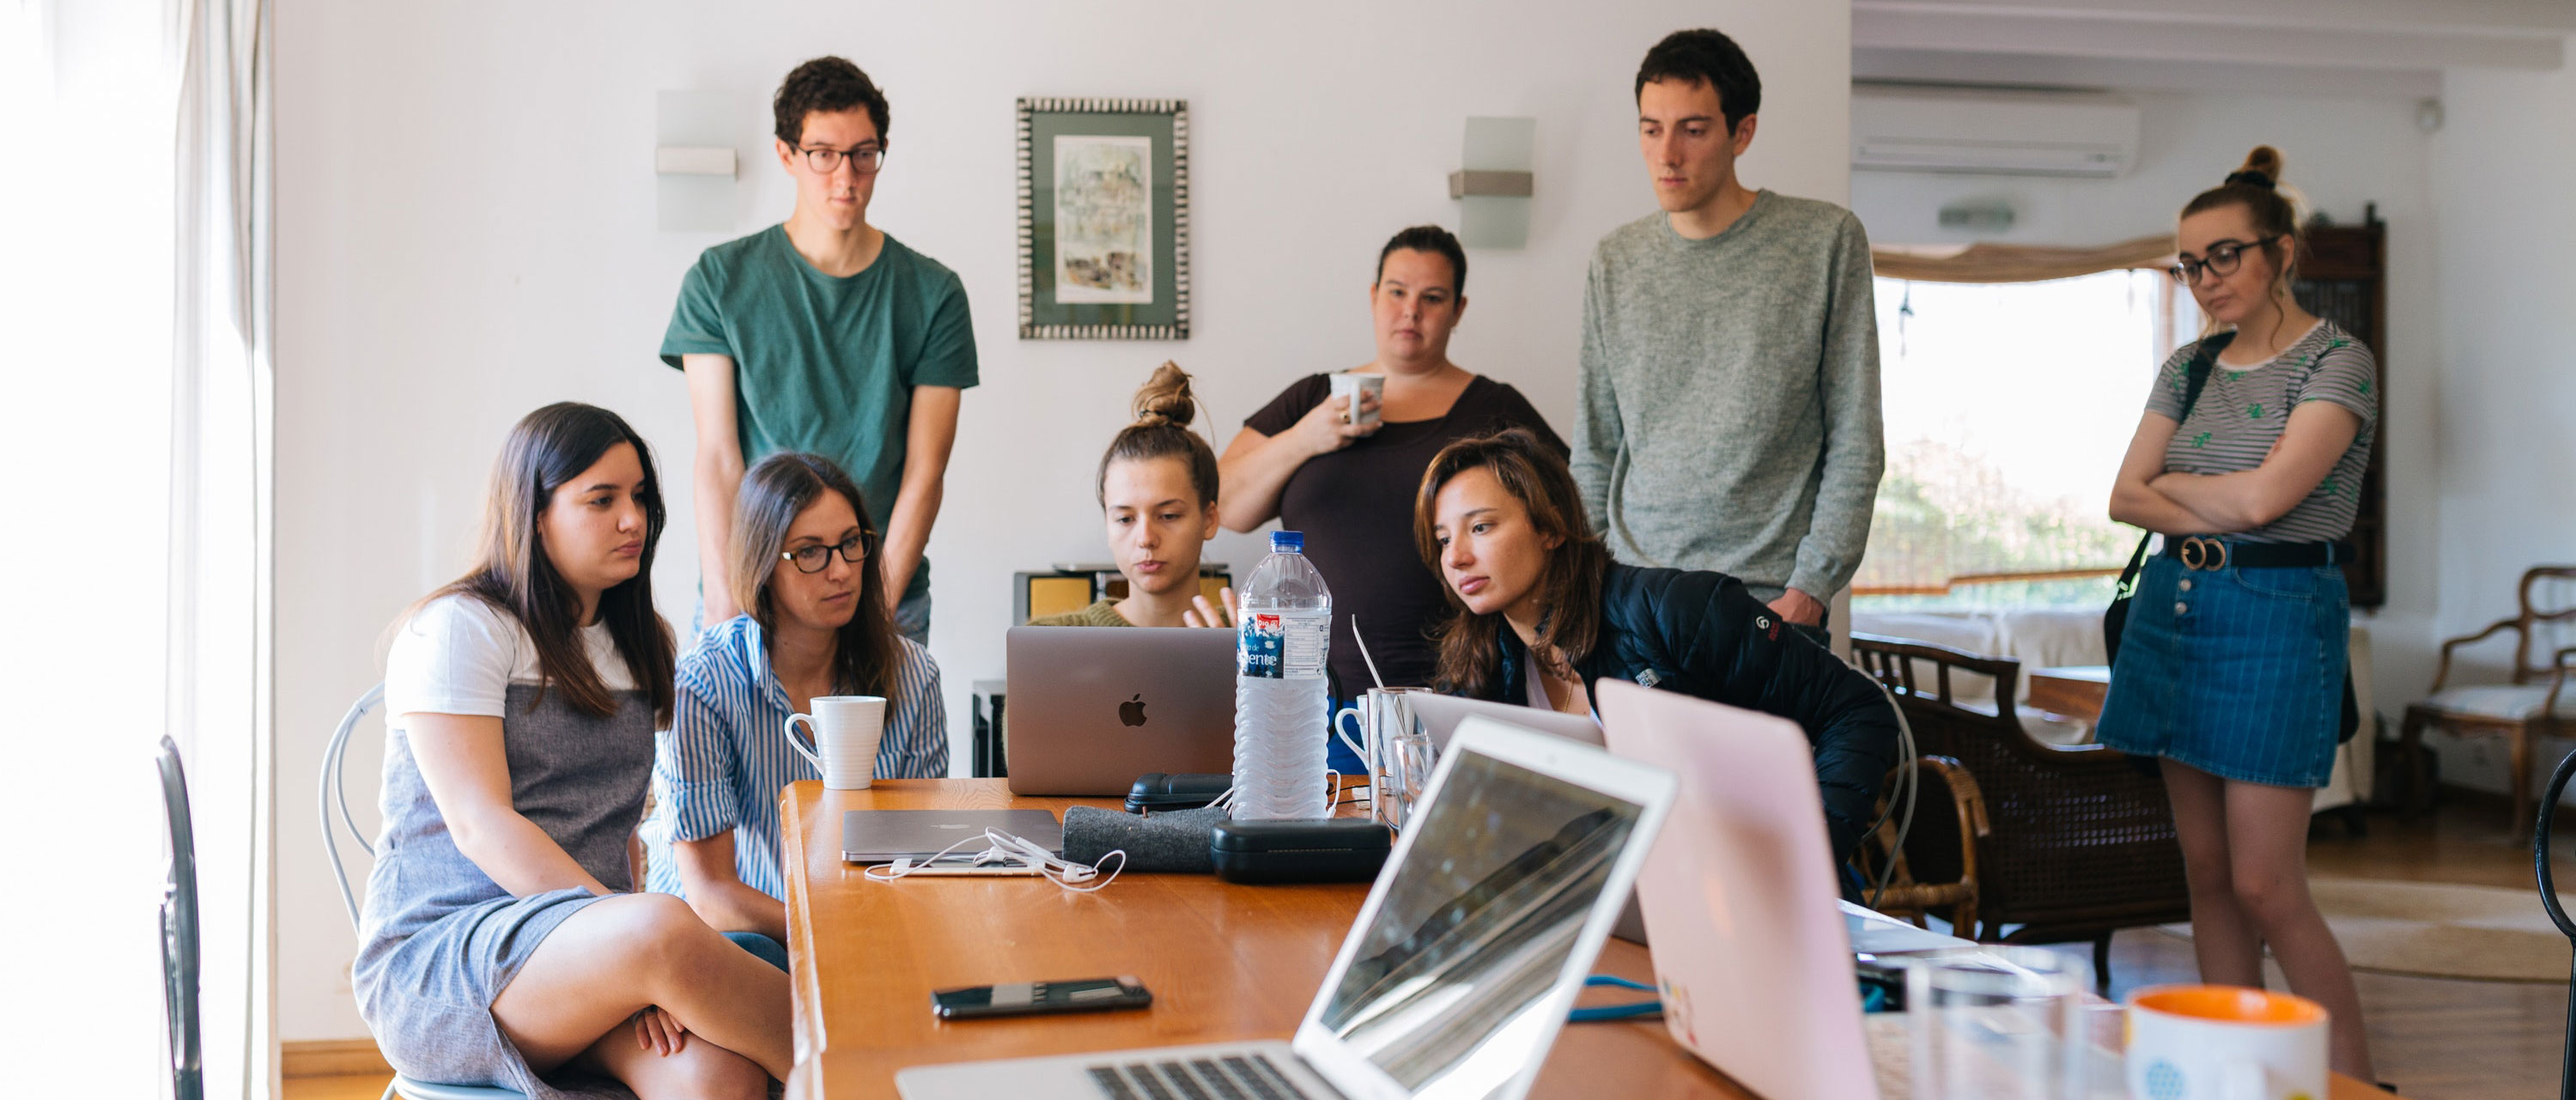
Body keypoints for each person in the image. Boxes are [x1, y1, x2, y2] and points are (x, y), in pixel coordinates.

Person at [359, 404, 785, 1099]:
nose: (634, 520)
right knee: (668, 928)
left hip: (593, 956)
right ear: (534, 513)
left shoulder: (642, 643)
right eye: (602, 499)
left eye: (641, 497)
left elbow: (620, 833)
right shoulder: (461, 628)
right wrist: (631, 938)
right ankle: (876, 1076)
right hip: (445, 964)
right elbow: (481, 825)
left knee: (718, 1073)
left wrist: (634, 957)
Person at [2101, 146, 2375, 1079]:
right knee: (2207, 878)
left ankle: (2347, 1083)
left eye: (2225, 256)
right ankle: (2235, 1077)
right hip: (2178, 608)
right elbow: (2123, 497)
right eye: (2188, 263)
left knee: (2267, 883)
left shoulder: (2340, 362)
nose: (2204, 279)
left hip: (2277, 616)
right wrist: (2213, 489)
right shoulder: (2188, 365)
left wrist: (2182, 482)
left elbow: (2268, 506)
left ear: (2281, 254)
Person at [1415, 428, 1899, 866]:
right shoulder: (1478, 664)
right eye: (1442, 539)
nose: (1455, 557)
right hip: (1615, 891)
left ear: (1551, 528)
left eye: (1480, 528)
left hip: (1743, 882)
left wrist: (1804, 857)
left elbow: (1858, 710)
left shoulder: (1677, 611)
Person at [1573, 28, 1882, 646]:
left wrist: (1810, 590)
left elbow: (1856, 440)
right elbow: (1596, 447)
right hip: (1635, 601)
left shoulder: (1824, 241)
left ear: (1742, 132)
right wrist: (1591, 581)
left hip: (1768, 608)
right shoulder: (1616, 260)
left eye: (1693, 129)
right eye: (1650, 128)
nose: (1667, 155)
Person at [663, 56, 977, 646]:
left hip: (883, 591)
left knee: (885, 743)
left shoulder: (933, 294)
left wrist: (875, 610)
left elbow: (925, 472)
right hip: (755, 591)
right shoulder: (719, 281)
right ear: (787, 155)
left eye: (864, 153)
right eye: (824, 154)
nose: (846, 177)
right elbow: (718, 458)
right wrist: (728, 605)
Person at [1219, 224, 1564, 704]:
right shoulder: (1313, 398)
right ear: (1374, 296)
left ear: (1458, 310)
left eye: (1433, 297)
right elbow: (1225, 506)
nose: (1411, 311)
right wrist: (1304, 438)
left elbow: (1564, 521)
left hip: (1462, 689)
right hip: (1308, 698)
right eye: (1397, 292)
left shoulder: (1494, 408)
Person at [647, 452, 948, 954]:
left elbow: (916, 856)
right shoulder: (703, 682)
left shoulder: (914, 674)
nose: (841, 571)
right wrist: (833, 933)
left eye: (851, 544)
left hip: (863, 928)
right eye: (810, 552)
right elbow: (710, 895)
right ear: (763, 563)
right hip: (728, 940)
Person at [1031, 363, 1236, 629]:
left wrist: (1238, 670)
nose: (1146, 539)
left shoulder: (1256, 644)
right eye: (1125, 519)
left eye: (1168, 515)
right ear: (1107, 524)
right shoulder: (1048, 642)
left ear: (1208, 520)